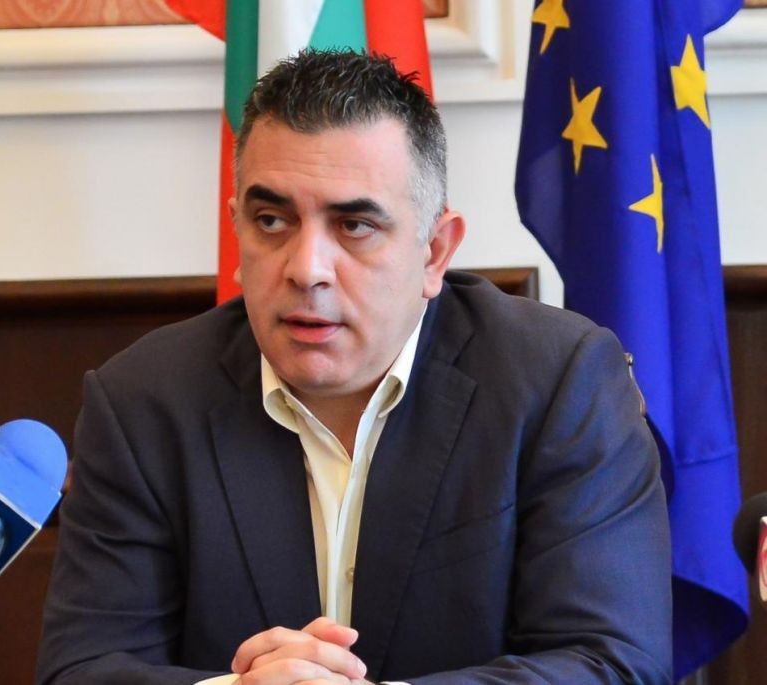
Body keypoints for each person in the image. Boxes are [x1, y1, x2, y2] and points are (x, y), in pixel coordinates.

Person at [36, 50, 672, 685]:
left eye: (355, 225)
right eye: (271, 221)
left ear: (434, 252)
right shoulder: (144, 400)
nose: (306, 268)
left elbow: (614, 663)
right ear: (237, 231)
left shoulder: (556, 381)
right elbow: (81, 671)